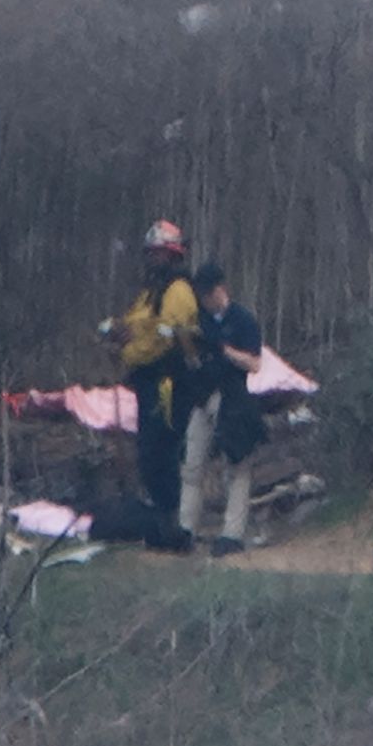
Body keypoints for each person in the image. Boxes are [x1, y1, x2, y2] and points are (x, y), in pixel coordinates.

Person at [108, 221, 203, 529]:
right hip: (150, 380)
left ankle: (171, 515)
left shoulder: (178, 291)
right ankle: (162, 512)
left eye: (157, 254)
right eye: (150, 254)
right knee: (151, 445)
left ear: (172, 255)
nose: (151, 260)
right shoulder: (151, 293)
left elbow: (166, 335)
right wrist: (118, 331)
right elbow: (137, 323)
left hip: (168, 381)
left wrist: (135, 344)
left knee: (160, 446)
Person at [186, 263, 271, 553]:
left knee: (237, 468)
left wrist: (224, 350)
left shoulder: (243, 320)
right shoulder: (199, 319)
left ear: (220, 290)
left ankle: (232, 534)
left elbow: (255, 364)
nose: (205, 300)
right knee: (192, 466)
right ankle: (186, 530)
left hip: (232, 399)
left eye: (208, 294)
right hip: (202, 397)